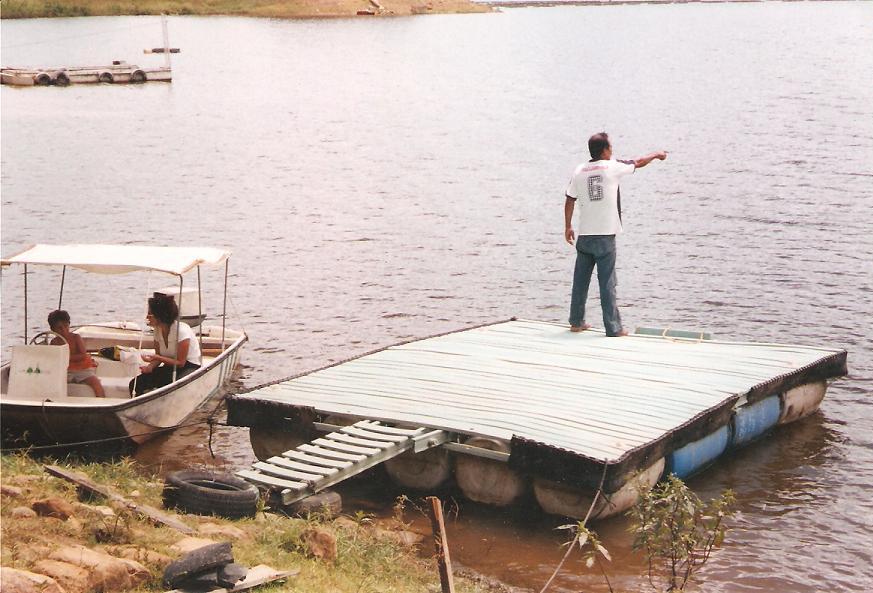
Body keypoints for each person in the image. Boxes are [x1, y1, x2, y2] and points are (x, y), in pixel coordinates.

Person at [564, 132, 667, 337]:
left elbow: (569, 198)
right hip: (605, 234)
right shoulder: (612, 166)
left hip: (584, 235)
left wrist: (568, 226)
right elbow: (637, 162)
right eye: (610, 147)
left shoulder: (579, 170)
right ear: (604, 150)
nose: (612, 151)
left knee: (580, 281)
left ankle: (576, 321)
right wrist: (657, 154)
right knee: (607, 282)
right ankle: (613, 327)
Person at [129, 292, 201, 396]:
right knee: (135, 384)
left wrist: (156, 357)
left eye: (150, 314)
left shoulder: (181, 331)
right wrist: (150, 367)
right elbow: (159, 357)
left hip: (189, 366)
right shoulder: (157, 331)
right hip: (170, 366)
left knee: (173, 388)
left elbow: (181, 362)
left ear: (160, 316)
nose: (147, 317)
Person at [48, 309, 105, 397]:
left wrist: (66, 358)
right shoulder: (54, 342)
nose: (63, 330)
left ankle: (102, 403)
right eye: (59, 328)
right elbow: (53, 359)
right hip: (65, 371)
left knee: (96, 383)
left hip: (81, 369)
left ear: (69, 325)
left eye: (66, 326)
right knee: (51, 382)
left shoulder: (76, 338)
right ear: (53, 329)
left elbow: (82, 355)